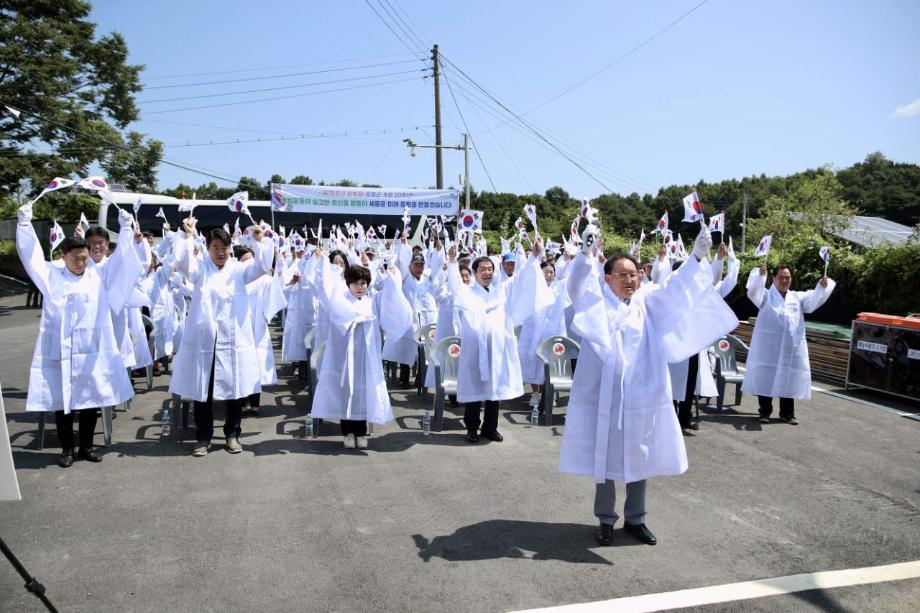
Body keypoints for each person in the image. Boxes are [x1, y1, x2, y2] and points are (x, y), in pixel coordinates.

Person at [561, 226, 737, 546]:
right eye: (622, 274)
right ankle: (605, 519)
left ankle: (636, 519)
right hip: (605, 398)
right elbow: (576, 286)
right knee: (604, 458)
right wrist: (585, 254)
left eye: (634, 274)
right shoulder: (595, 303)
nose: (630, 280)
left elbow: (676, 290)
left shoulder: (647, 302)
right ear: (607, 278)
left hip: (642, 398)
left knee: (639, 456)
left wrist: (697, 257)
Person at [16, 204, 145, 467]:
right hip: (62, 351)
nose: (82, 262)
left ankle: (86, 446)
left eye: (85, 258)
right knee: (63, 403)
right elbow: (31, 257)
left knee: (90, 401)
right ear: (63, 256)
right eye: (76, 258)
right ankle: (66, 450)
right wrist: (24, 225)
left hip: (92, 351)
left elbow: (123, 263)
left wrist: (126, 228)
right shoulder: (51, 275)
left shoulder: (98, 276)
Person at [168, 218, 272, 456]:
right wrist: (187, 236)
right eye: (215, 247)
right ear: (208, 248)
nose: (220, 252)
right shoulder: (200, 270)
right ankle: (203, 437)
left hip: (233, 342)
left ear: (230, 249)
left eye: (224, 248)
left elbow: (262, 266)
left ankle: (232, 435)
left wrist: (260, 241)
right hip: (206, 342)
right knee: (203, 391)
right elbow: (183, 262)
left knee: (234, 391)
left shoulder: (239, 270)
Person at [446, 239, 550, 443]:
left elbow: (521, 280)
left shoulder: (501, 292)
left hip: (496, 351)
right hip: (475, 351)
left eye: (490, 269)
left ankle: (490, 427)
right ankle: (472, 428)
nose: (487, 273)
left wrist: (534, 257)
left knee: (494, 391)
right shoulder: (467, 293)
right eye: (482, 269)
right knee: (475, 391)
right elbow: (455, 284)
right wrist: (451, 261)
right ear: (474, 273)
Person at [311, 250, 412, 449]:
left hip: (367, 357)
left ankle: (361, 431)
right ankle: (347, 432)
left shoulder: (373, 301)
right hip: (345, 356)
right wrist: (322, 262)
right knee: (346, 391)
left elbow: (392, 298)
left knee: (364, 392)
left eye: (363, 283)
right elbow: (324, 290)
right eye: (356, 283)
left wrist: (392, 273)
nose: (360, 287)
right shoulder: (339, 300)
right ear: (348, 284)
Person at [742, 264, 835, 425]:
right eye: (781, 277)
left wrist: (821, 287)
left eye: (787, 277)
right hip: (768, 348)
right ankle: (765, 411)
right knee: (766, 378)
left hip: (790, 348)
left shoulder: (797, 297)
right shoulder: (765, 296)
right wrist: (759, 276)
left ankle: (787, 414)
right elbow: (753, 291)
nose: (784, 280)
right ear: (774, 278)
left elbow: (813, 301)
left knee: (789, 378)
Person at [668, 242, 739, 431]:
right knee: (671, 384)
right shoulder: (668, 295)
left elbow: (714, 281)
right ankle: (670, 419)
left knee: (689, 383)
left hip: (693, 348)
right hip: (673, 347)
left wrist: (720, 260)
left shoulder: (698, 293)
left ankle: (684, 417)